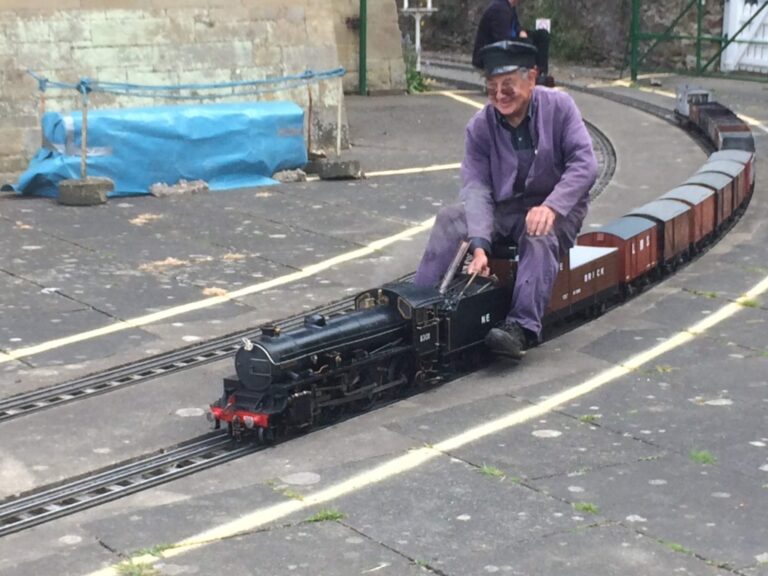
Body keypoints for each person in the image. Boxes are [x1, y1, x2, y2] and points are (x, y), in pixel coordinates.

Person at [414, 41, 597, 359]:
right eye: (492, 87)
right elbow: (476, 188)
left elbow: (585, 165)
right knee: (449, 218)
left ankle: (522, 327)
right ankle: (418, 304)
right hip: (506, 209)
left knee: (538, 234)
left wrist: (552, 207)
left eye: (507, 86)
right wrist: (480, 245)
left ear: (532, 78)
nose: (499, 95)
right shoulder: (480, 127)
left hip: (557, 209)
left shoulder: (560, 107)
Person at [471, 0, 552, 84]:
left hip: (506, 44)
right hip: (491, 56)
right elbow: (502, 40)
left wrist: (520, 31)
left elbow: (516, 26)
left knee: (542, 35)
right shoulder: (500, 8)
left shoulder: (510, 7)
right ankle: (530, 75)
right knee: (527, 43)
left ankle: (541, 73)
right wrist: (524, 42)